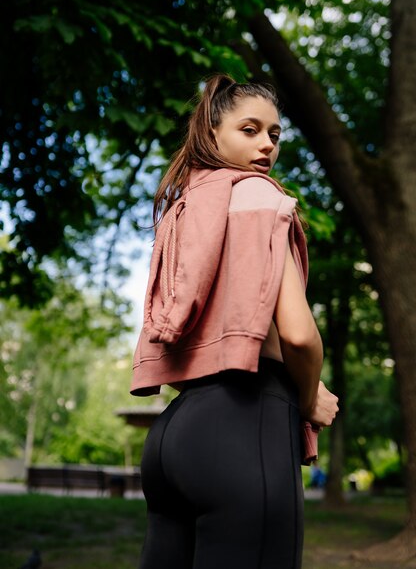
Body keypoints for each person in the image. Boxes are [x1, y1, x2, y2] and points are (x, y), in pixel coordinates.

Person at [130, 74, 339, 569]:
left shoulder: (184, 210)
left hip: (170, 440)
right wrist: (310, 396)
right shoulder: (258, 197)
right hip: (245, 427)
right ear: (212, 132)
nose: (267, 144)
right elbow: (298, 334)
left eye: (274, 134)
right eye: (250, 129)